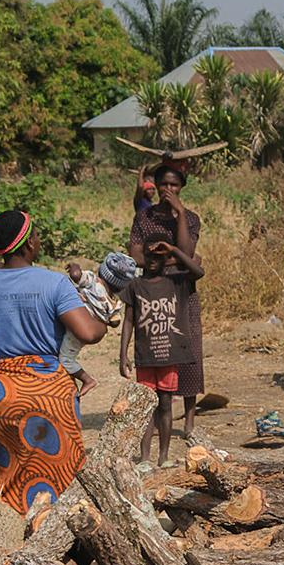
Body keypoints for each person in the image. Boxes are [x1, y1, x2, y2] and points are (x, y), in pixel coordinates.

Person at [0, 211, 107, 514]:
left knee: (10, 474)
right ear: (29, 243)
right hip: (49, 393)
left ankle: (11, 544)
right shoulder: (54, 284)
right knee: (62, 474)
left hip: (4, 391)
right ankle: (63, 547)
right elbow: (87, 332)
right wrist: (103, 323)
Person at [128, 163, 204, 441]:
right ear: (155, 185)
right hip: (153, 292)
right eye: (164, 184)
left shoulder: (190, 217)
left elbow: (187, 249)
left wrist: (180, 213)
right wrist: (183, 260)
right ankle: (160, 418)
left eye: (174, 185)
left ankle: (190, 419)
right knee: (158, 349)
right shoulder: (144, 218)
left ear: (181, 187)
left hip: (183, 289)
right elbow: (137, 256)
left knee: (189, 348)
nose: (168, 190)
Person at [117, 238, 205, 467]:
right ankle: (145, 457)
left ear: (166, 258)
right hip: (145, 357)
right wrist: (123, 354)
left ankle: (163, 456)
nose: (153, 261)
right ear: (143, 258)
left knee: (165, 405)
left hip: (169, 355)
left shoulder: (176, 282)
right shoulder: (135, 285)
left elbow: (198, 271)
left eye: (159, 257)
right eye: (149, 256)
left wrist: (174, 249)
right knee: (147, 408)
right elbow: (128, 321)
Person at [61, 259, 120, 398]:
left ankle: (87, 380)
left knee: (65, 360)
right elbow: (115, 322)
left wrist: (74, 265)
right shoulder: (114, 303)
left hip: (75, 326)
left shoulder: (93, 281)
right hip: (85, 332)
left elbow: (75, 275)